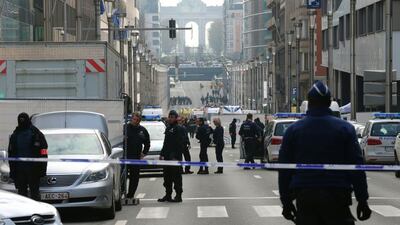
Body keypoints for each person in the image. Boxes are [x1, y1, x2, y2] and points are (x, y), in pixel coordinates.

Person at [278, 81, 371, 225]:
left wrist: (286, 202)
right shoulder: (345, 129)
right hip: (337, 196)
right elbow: (356, 167)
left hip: (305, 196)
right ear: (329, 103)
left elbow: (284, 170)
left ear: (309, 103)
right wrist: (362, 199)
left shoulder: (293, 130)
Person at [8, 113, 48, 200]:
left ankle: (36, 211)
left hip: (33, 170)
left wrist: (43, 168)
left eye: (23, 119)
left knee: (34, 194)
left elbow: (44, 151)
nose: (22, 121)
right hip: (19, 170)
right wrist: (12, 171)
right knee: (22, 195)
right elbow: (10, 153)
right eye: (20, 120)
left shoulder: (36, 134)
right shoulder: (15, 135)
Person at [158, 110, 185, 203]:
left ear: (176, 118)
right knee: (167, 177)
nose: (170, 118)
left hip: (175, 158)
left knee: (176, 177)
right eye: (169, 117)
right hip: (167, 157)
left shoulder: (179, 128)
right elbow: (166, 143)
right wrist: (162, 154)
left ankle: (178, 195)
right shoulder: (168, 128)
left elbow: (181, 144)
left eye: (172, 117)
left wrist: (176, 156)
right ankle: (168, 194)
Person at [125, 112, 150, 202]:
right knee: (122, 177)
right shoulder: (125, 128)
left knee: (134, 177)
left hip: (136, 158)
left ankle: (130, 195)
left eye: (138, 120)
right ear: (131, 119)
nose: (136, 121)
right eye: (134, 119)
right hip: (124, 158)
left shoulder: (142, 130)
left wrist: (144, 152)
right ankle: (120, 193)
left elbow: (147, 142)